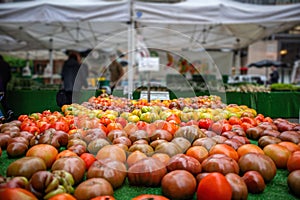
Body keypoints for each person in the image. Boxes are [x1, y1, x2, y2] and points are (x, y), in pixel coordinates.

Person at [0, 55, 15, 122]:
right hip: (3, 86)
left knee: (3, 100)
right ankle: (9, 112)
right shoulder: (6, 64)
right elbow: (9, 75)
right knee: (4, 100)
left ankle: (1, 117)